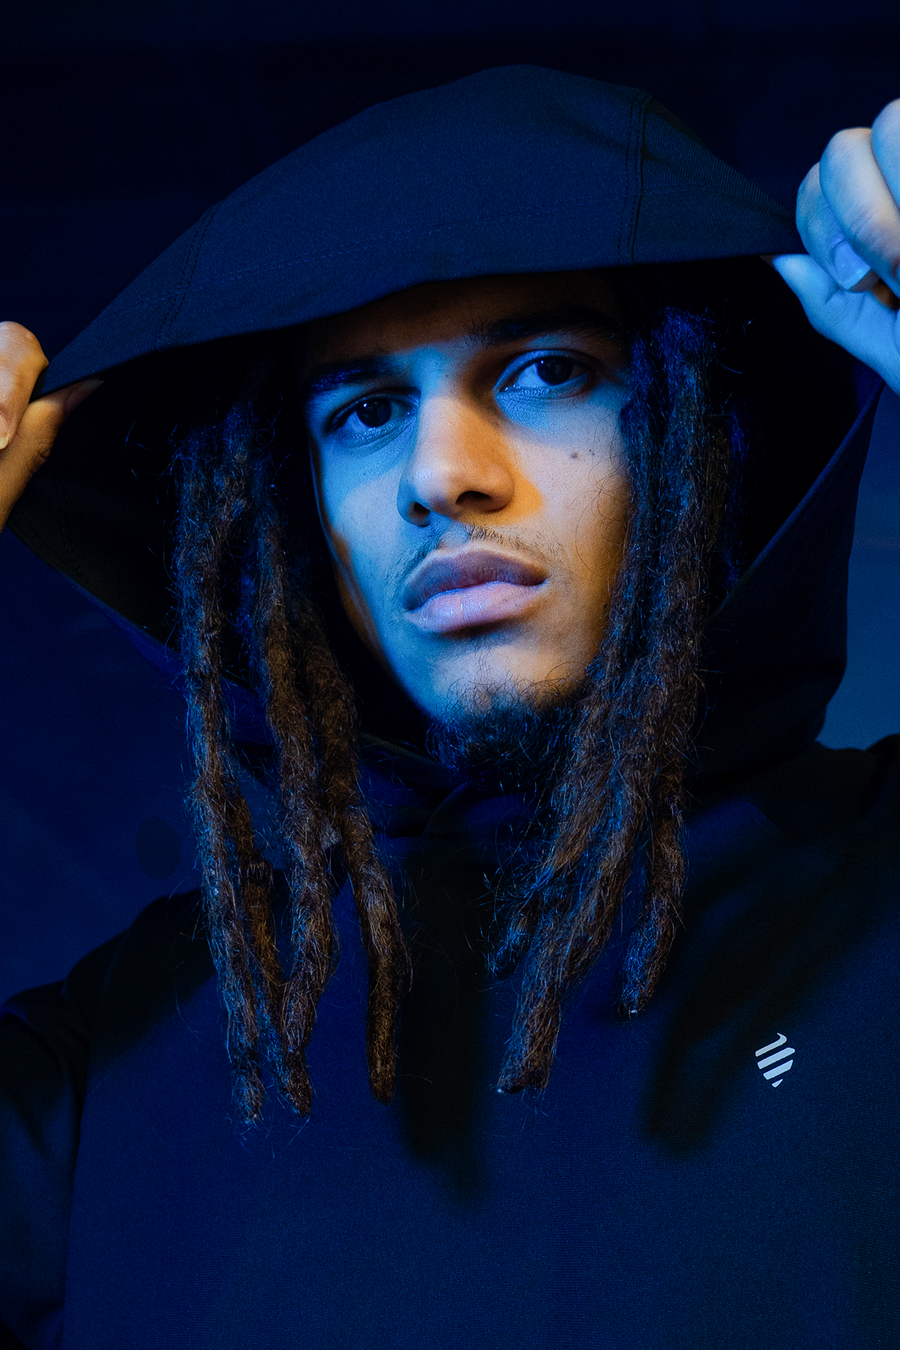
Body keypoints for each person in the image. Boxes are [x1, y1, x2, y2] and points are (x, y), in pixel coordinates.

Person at [1, 65, 900, 1348]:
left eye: (544, 371)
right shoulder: (120, 1046)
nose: (441, 473)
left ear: (700, 433)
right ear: (293, 510)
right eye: (367, 410)